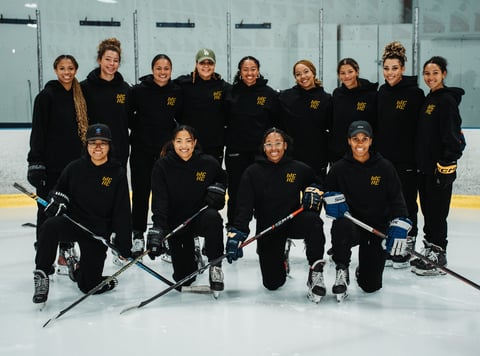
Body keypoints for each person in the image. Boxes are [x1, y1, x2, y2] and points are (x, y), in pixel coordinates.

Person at [32, 124, 132, 304]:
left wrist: (124, 243)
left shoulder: (116, 172)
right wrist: (57, 201)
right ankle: (42, 273)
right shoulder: (74, 168)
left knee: (89, 286)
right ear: (87, 145)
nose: (98, 147)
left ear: (110, 146)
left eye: (103, 143)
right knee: (49, 226)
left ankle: (76, 269)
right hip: (73, 223)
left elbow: (122, 210)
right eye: (93, 143)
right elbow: (58, 192)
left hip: (97, 232)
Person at [225, 127, 327, 303]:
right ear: (263, 148)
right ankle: (281, 259)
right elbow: (244, 208)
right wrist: (237, 235)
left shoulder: (298, 168)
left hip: (293, 220)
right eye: (269, 144)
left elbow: (316, 182)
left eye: (278, 143)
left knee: (314, 222)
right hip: (268, 227)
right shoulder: (252, 173)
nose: (274, 148)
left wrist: (315, 189)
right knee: (273, 284)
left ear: (285, 145)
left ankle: (315, 270)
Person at [323, 120, 411, 300]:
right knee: (341, 226)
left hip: (376, 229)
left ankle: (363, 271)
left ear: (371, 141)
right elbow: (327, 196)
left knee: (370, 286)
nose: (360, 143)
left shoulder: (385, 167)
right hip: (351, 225)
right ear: (349, 141)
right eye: (355, 139)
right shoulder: (338, 168)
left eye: (364, 139)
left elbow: (397, 200)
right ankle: (342, 269)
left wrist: (400, 223)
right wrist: (330, 203)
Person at [148, 125, 227, 295]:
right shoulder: (162, 166)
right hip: (177, 223)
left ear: (195, 142)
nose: (184, 146)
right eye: (179, 141)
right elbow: (159, 200)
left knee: (213, 218)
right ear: (173, 143)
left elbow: (222, 179)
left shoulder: (207, 163)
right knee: (183, 279)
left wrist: (219, 192)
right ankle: (193, 259)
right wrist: (158, 229)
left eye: (188, 141)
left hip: (200, 217)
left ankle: (215, 266)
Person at [27, 54, 88, 275]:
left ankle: (66, 253)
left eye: (70, 68)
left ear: (75, 70)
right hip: (50, 167)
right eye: (62, 68)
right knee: (47, 211)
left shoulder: (79, 96)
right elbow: (38, 132)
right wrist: (35, 162)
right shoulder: (46, 96)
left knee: (70, 210)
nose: (66, 72)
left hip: (74, 166)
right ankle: (44, 257)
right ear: (55, 70)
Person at [413, 56, 466, 276]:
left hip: (438, 169)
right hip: (425, 168)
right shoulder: (431, 99)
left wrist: (446, 164)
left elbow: (453, 136)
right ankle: (430, 249)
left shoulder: (446, 101)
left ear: (443, 73)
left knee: (437, 212)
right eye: (427, 73)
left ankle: (438, 255)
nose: (430, 77)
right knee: (429, 211)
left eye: (435, 73)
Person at [375, 41, 425, 268]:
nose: (390, 73)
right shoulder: (382, 92)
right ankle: (390, 244)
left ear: (403, 69)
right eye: (386, 68)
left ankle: (406, 246)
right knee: (386, 203)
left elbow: (420, 130)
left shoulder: (415, 93)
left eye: (394, 68)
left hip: (406, 162)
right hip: (384, 161)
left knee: (405, 204)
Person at [128, 54, 182, 258]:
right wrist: (142, 131)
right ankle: (138, 234)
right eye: (159, 68)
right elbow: (128, 116)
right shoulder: (138, 91)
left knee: (165, 195)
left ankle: (164, 234)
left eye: (166, 68)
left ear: (171, 70)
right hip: (141, 150)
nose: (162, 72)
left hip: (165, 153)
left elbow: (180, 117)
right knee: (141, 192)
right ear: (152, 69)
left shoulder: (176, 91)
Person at [224, 56, 281, 225]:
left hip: (261, 153)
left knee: (264, 192)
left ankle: (266, 230)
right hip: (236, 152)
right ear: (240, 72)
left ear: (258, 70)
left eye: (253, 69)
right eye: (245, 69)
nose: (250, 73)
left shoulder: (268, 93)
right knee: (236, 191)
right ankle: (234, 229)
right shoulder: (231, 93)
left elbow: (276, 123)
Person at [174, 48, 230, 164]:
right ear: (196, 64)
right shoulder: (184, 84)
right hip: (190, 145)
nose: (206, 66)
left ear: (214, 65)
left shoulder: (222, 87)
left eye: (210, 63)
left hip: (214, 145)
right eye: (202, 63)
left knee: (212, 178)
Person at [81, 38, 130, 168]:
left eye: (116, 61)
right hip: (93, 150)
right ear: (99, 60)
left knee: (115, 186)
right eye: (108, 59)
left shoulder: (125, 89)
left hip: (119, 151)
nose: (111, 64)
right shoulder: (84, 88)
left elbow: (131, 118)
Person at [278, 59, 332, 180]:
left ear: (313, 73)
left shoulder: (326, 99)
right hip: (292, 158)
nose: (303, 76)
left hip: (317, 158)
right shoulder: (286, 96)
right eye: (298, 74)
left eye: (306, 71)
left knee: (314, 194)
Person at [328, 58, 378, 164]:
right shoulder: (337, 94)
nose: (347, 76)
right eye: (342, 73)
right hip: (340, 152)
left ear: (357, 71)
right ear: (338, 75)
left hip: (363, 151)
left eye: (350, 72)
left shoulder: (370, 94)